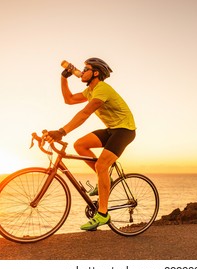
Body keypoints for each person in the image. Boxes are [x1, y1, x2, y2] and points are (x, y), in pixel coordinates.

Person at [45, 57, 136, 231]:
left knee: (101, 165)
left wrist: (62, 131)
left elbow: (85, 112)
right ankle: (105, 178)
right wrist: (63, 78)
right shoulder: (90, 91)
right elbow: (69, 99)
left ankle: (102, 214)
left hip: (125, 130)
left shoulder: (102, 89)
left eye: (86, 69)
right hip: (112, 129)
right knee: (80, 145)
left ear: (95, 73)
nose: (81, 71)